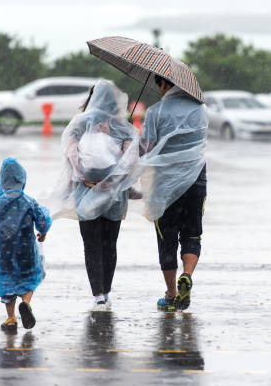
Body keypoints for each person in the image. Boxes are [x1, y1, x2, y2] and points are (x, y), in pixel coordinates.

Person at [61, 80, 138, 310]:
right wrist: (111, 182)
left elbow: (71, 155)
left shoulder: (79, 124)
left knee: (91, 245)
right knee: (109, 244)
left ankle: (98, 294)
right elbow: (129, 161)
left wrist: (84, 178)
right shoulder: (122, 126)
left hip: (86, 192)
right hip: (114, 195)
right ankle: (107, 288)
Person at [141, 74, 208, 312]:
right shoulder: (200, 109)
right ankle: (187, 275)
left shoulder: (155, 112)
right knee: (192, 233)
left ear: (165, 84)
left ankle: (171, 295)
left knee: (166, 237)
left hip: (165, 185)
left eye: (158, 85)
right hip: (196, 181)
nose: (158, 90)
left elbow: (146, 149)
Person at [0, 158, 52, 332]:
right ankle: (26, 304)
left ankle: (11, 318)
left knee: (7, 281)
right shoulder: (29, 202)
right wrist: (42, 233)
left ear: (1, 182)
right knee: (30, 277)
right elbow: (42, 220)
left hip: (5, 252)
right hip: (26, 250)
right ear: (22, 180)